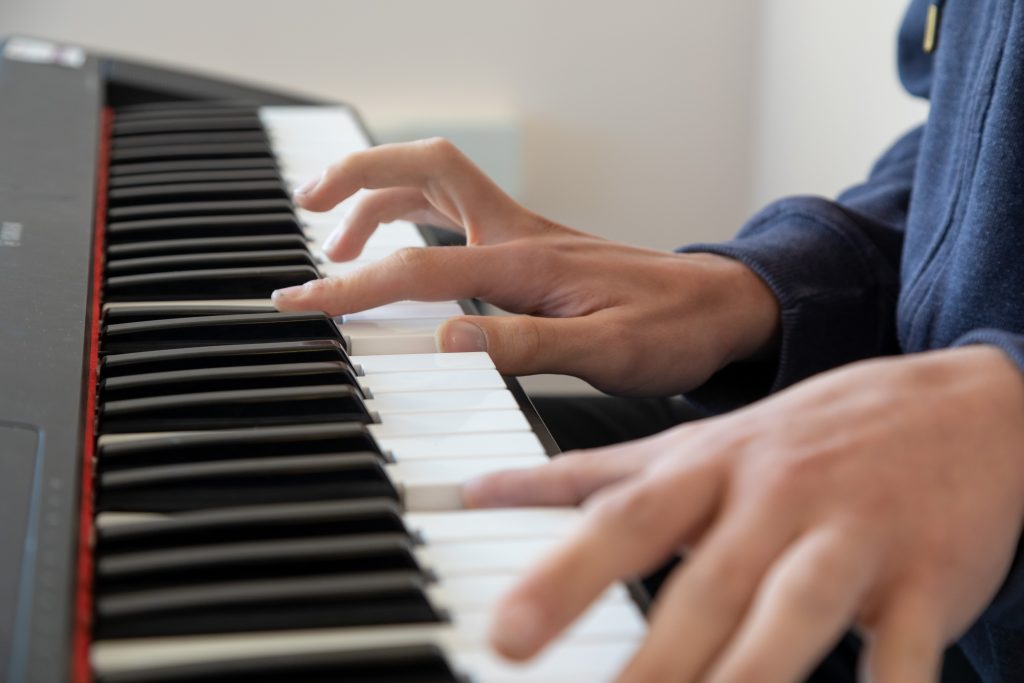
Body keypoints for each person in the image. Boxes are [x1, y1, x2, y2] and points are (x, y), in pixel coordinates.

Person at [272, 0, 1024, 680]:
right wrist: (761, 290)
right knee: (328, 478)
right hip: (901, 473)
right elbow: (954, 146)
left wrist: (1005, 413)